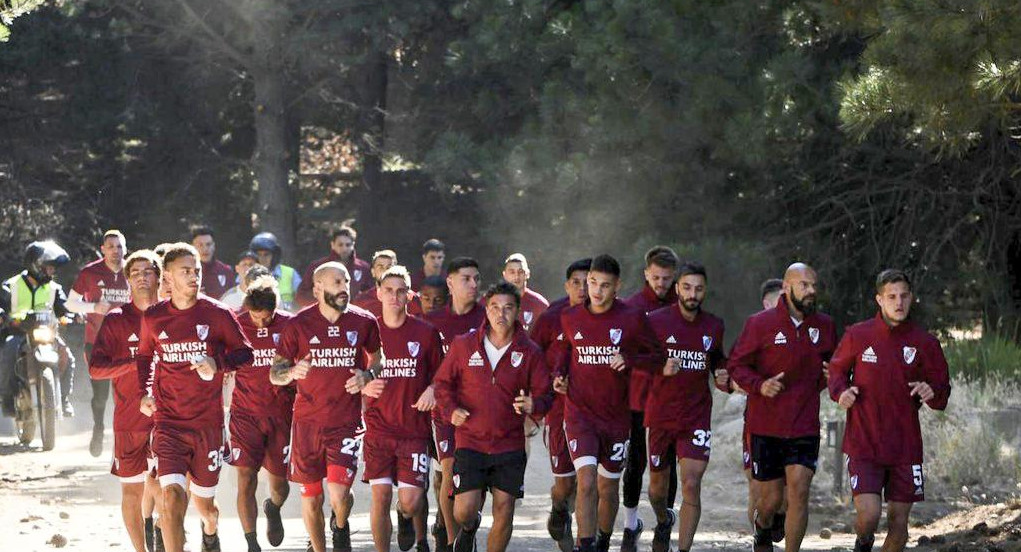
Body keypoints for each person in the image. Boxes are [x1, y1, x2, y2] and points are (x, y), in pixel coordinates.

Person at [136, 242, 254, 552]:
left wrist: (218, 365)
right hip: (168, 423)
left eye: (197, 270)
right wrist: (144, 392)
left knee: (206, 506)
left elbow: (246, 355)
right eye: (186, 271)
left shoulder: (217, 313)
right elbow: (145, 357)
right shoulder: (154, 317)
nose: (194, 276)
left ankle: (210, 531)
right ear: (168, 277)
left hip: (207, 426)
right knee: (173, 497)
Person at [828, 269, 951, 552]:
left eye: (904, 296)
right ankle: (863, 541)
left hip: (905, 447)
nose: (899, 302)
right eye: (892, 296)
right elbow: (836, 370)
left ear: (912, 298)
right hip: (864, 443)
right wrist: (841, 392)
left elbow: (942, 392)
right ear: (879, 300)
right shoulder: (858, 335)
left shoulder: (926, 343)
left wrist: (932, 392)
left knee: (899, 525)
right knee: (868, 516)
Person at [552, 254, 666, 552]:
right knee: (587, 482)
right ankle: (585, 544)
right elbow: (564, 350)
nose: (597, 291)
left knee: (607, 487)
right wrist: (559, 374)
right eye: (592, 283)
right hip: (579, 414)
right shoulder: (570, 316)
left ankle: (603, 539)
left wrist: (629, 359)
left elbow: (657, 358)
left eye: (605, 285)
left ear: (618, 286)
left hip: (616, 418)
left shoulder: (631, 317)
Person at [269, 261, 381, 552]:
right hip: (307, 423)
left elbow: (379, 360)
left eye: (345, 282)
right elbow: (275, 373)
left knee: (339, 494)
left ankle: (340, 527)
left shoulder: (364, 321)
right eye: (336, 283)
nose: (345, 288)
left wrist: (367, 375)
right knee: (312, 497)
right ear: (318, 288)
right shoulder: (298, 325)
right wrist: (292, 372)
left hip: (345, 421)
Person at [434, 281, 553, 552]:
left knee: (505, 508)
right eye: (495, 308)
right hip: (470, 441)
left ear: (518, 311)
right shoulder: (464, 345)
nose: (501, 314)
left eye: (508, 308)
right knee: (464, 510)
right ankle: (468, 528)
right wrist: (450, 409)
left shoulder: (530, 351)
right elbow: (442, 384)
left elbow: (545, 395)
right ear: (486, 310)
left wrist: (534, 404)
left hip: (509, 443)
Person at [729, 263, 838, 552]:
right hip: (766, 426)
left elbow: (834, 367)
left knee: (799, 491)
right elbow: (736, 366)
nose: (811, 291)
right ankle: (763, 531)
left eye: (814, 285)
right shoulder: (760, 324)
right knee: (770, 502)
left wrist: (832, 378)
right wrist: (760, 385)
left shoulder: (824, 326)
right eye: (804, 285)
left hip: (804, 425)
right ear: (787, 288)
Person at [645, 262, 728, 552]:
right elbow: (639, 359)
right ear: (677, 288)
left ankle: (683, 549)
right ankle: (663, 518)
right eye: (687, 287)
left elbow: (717, 357)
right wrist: (660, 367)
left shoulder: (714, 325)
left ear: (705, 291)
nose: (693, 294)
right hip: (661, 414)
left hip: (695, 415)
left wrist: (721, 371)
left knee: (691, 483)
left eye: (699, 288)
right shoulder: (655, 321)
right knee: (657, 489)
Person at [363, 265, 444, 552]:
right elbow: (349, 374)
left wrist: (433, 389)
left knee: (411, 502)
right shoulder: (367, 330)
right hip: (378, 428)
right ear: (378, 293)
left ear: (410, 295)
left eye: (400, 291)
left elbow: (443, 375)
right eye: (388, 290)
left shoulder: (426, 332)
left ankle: (405, 515)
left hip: (414, 430)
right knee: (380, 495)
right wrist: (363, 386)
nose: (394, 296)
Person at [88, 250, 162, 552]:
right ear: (128, 281)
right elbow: (95, 368)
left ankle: (162, 529)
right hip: (129, 421)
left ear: (158, 276)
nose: (142, 278)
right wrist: (136, 363)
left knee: (167, 488)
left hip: (169, 418)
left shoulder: (174, 315)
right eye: (135, 273)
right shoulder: (117, 320)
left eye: (147, 272)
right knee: (132, 492)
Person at [619, 245, 680, 550]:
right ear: (646, 273)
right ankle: (631, 525)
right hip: (638, 398)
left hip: (670, 401)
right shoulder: (631, 307)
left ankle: (664, 525)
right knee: (636, 461)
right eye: (656, 277)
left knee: (667, 465)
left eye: (667, 278)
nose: (661, 284)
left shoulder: (682, 306)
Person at [423, 257, 485, 552]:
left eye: (476, 279)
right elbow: (422, 366)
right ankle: (451, 542)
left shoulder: (489, 317)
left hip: (484, 410)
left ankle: (469, 525)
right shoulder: (433, 323)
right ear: (450, 283)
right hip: (445, 411)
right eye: (466, 279)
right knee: (448, 470)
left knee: (475, 482)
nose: (473, 284)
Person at [228, 277, 294, 552]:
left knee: (280, 486)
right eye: (256, 317)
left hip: (281, 415)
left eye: (267, 318)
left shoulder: (291, 325)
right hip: (245, 415)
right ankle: (251, 541)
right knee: (246, 477)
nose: (261, 323)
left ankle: (273, 507)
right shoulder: (235, 324)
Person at [529, 258, 591, 552]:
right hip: (559, 411)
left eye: (588, 282)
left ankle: (584, 541)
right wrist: (547, 386)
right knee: (566, 485)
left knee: (588, 482)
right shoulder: (552, 317)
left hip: (595, 413)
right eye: (576, 283)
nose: (583, 289)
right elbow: (532, 358)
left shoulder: (611, 316)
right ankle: (558, 507)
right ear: (566, 286)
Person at [68, 229, 131, 455]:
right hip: (96, 340)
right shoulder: (90, 272)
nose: (115, 251)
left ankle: (122, 438)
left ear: (125, 249)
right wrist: (93, 307)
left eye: (119, 246)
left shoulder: (132, 271)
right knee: (101, 393)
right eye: (111, 246)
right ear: (103, 249)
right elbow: (70, 303)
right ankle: (98, 427)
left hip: (126, 343)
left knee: (125, 394)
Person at [0, 240, 76, 420]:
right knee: (9, 351)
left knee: (67, 356)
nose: (53, 271)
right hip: (18, 333)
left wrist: (72, 315)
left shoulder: (55, 288)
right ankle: (8, 397)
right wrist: (3, 314)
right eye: (49, 267)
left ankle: (64, 398)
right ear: (37, 265)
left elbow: (63, 307)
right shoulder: (11, 285)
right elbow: (1, 305)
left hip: (46, 334)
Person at [297, 225, 373, 306]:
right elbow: (301, 295)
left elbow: (371, 296)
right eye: (340, 245)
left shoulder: (363, 268)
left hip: (353, 316)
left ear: (353, 245)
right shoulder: (318, 266)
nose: (344, 249)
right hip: (324, 315)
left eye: (348, 245)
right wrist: (324, 305)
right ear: (332, 245)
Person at [353, 250, 424, 318]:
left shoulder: (411, 298)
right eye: (380, 267)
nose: (385, 271)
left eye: (389, 267)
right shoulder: (361, 301)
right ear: (373, 272)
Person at [248, 232, 301, 311]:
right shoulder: (247, 274)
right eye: (259, 255)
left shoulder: (290, 273)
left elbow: (303, 298)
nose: (262, 258)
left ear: (274, 255)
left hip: (287, 319)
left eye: (266, 254)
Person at [501, 253, 549, 332]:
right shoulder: (491, 302)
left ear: (527, 274)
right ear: (504, 275)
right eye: (512, 272)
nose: (516, 276)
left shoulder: (540, 305)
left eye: (521, 272)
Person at [191, 226, 235, 300]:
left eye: (208, 244)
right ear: (193, 247)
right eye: (200, 245)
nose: (205, 249)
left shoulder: (226, 271)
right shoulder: (186, 271)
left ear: (214, 245)